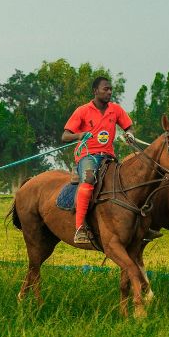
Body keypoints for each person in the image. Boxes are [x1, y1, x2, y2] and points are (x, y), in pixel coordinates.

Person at [61, 77, 139, 246]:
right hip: (87, 155)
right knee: (89, 178)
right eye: (105, 89)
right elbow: (65, 136)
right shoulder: (82, 111)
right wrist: (79, 135)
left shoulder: (115, 110)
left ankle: (140, 226)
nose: (109, 92)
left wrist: (130, 134)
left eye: (110, 89)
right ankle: (80, 228)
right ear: (95, 91)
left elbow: (128, 127)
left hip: (108, 156)